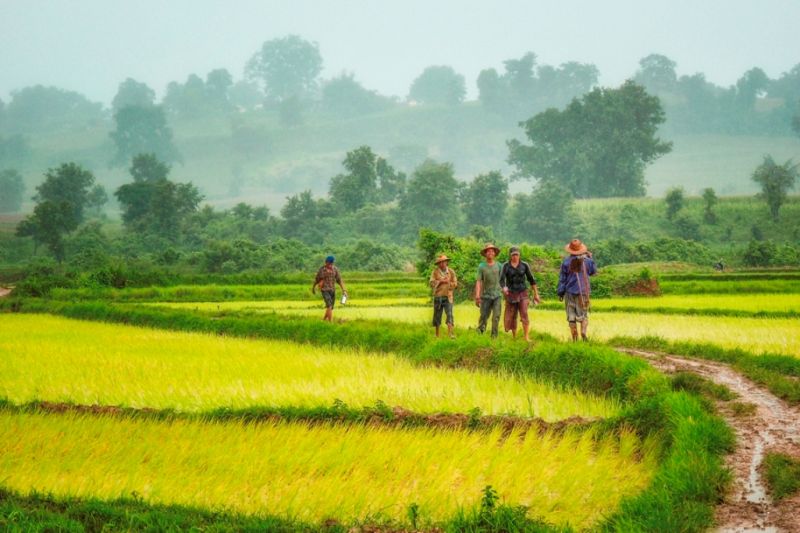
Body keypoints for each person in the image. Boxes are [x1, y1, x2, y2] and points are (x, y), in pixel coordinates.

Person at [557, 239, 596, 341]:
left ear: (570, 250)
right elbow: (592, 272)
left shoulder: (566, 262)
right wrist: (590, 258)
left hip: (569, 292)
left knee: (571, 317)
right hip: (583, 292)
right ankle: (583, 332)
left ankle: (575, 339)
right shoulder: (588, 261)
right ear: (581, 249)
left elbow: (562, 279)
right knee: (584, 315)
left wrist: (560, 292)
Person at [500, 246, 541, 341]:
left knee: (524, 314)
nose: (515, 257)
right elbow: (501, 280)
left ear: (519, 255)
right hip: (511, 294)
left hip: (523, 293)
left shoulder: (524, 265)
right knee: (512, 315)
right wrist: (504, 287)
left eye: (516, 255)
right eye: (513, 255)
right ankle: (514, 336)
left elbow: (531, 280)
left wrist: (536, 294)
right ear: (510, 256)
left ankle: (526, 337)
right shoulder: (506, 266)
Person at [475, 243, 503, 338]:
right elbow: (478, 281)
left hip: (497, 295)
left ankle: (494, 336)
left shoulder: (499, 266)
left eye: (492, 251)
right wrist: (477, 296)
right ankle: (480, 333)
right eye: (488, 251)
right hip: (486, 295)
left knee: (496, 316)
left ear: (495, 253)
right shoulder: (481, 266)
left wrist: (505, 290)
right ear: (485, 253)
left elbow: (503, 280)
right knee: (483, 316)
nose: (490, 253)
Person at [429, 254, 458, 338]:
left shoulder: (451, 272)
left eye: (443, 262)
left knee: (449, 314)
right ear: (438, 264)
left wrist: (449, 283)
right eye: (440, 262)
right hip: (438, 296)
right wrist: (440, 281)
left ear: (446, 262)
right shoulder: (435, 272)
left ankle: (450, 334)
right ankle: (437, 335)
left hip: (448, 296)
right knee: (437, 315)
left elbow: (455, 283)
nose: (442, 264)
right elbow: (431, 283)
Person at [312, 255, 347, 322]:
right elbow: (317, 280)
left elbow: (339, 280)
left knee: (330, 307)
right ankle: (330, 322)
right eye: (328, 263)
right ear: (326, 262)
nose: (330, 264)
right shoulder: (322, 270)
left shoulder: (335, 269)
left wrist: (344, 290)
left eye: (331, 263)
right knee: (329, 306)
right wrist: (313, 288)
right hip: (325, 290)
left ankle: (323, 320)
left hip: (332, 290)